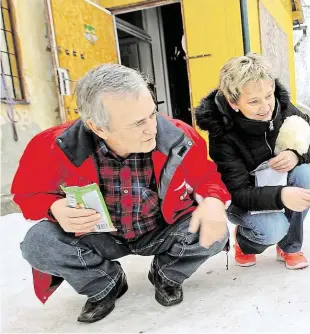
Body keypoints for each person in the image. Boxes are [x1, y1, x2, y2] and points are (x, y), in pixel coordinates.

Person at [12, 64, 231, 323]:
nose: (153, 128)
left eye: (152, 114)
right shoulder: (51, 146)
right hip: (98, 235)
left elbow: (206, 177)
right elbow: (26, 194)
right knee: (38, 243)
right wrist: (53, 208)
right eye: (138, 122)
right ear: (98, 127)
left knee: (215, 232)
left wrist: (214, 201)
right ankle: (105, 284)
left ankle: (166, 274)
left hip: (160, 229)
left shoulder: (178, 136)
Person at [195, 54, 310, 270]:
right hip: (244, 200)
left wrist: (297, 155)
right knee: (274, 228)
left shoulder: (281, 107)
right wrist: (281, 196)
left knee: (305, 175)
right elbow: (237, 191)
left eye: (268, 95)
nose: (265, 106)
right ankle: (245, 242)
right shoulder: (222, 132)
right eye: (254, 101)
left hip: (277, 183)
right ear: (234, 103)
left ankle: (289, 247)